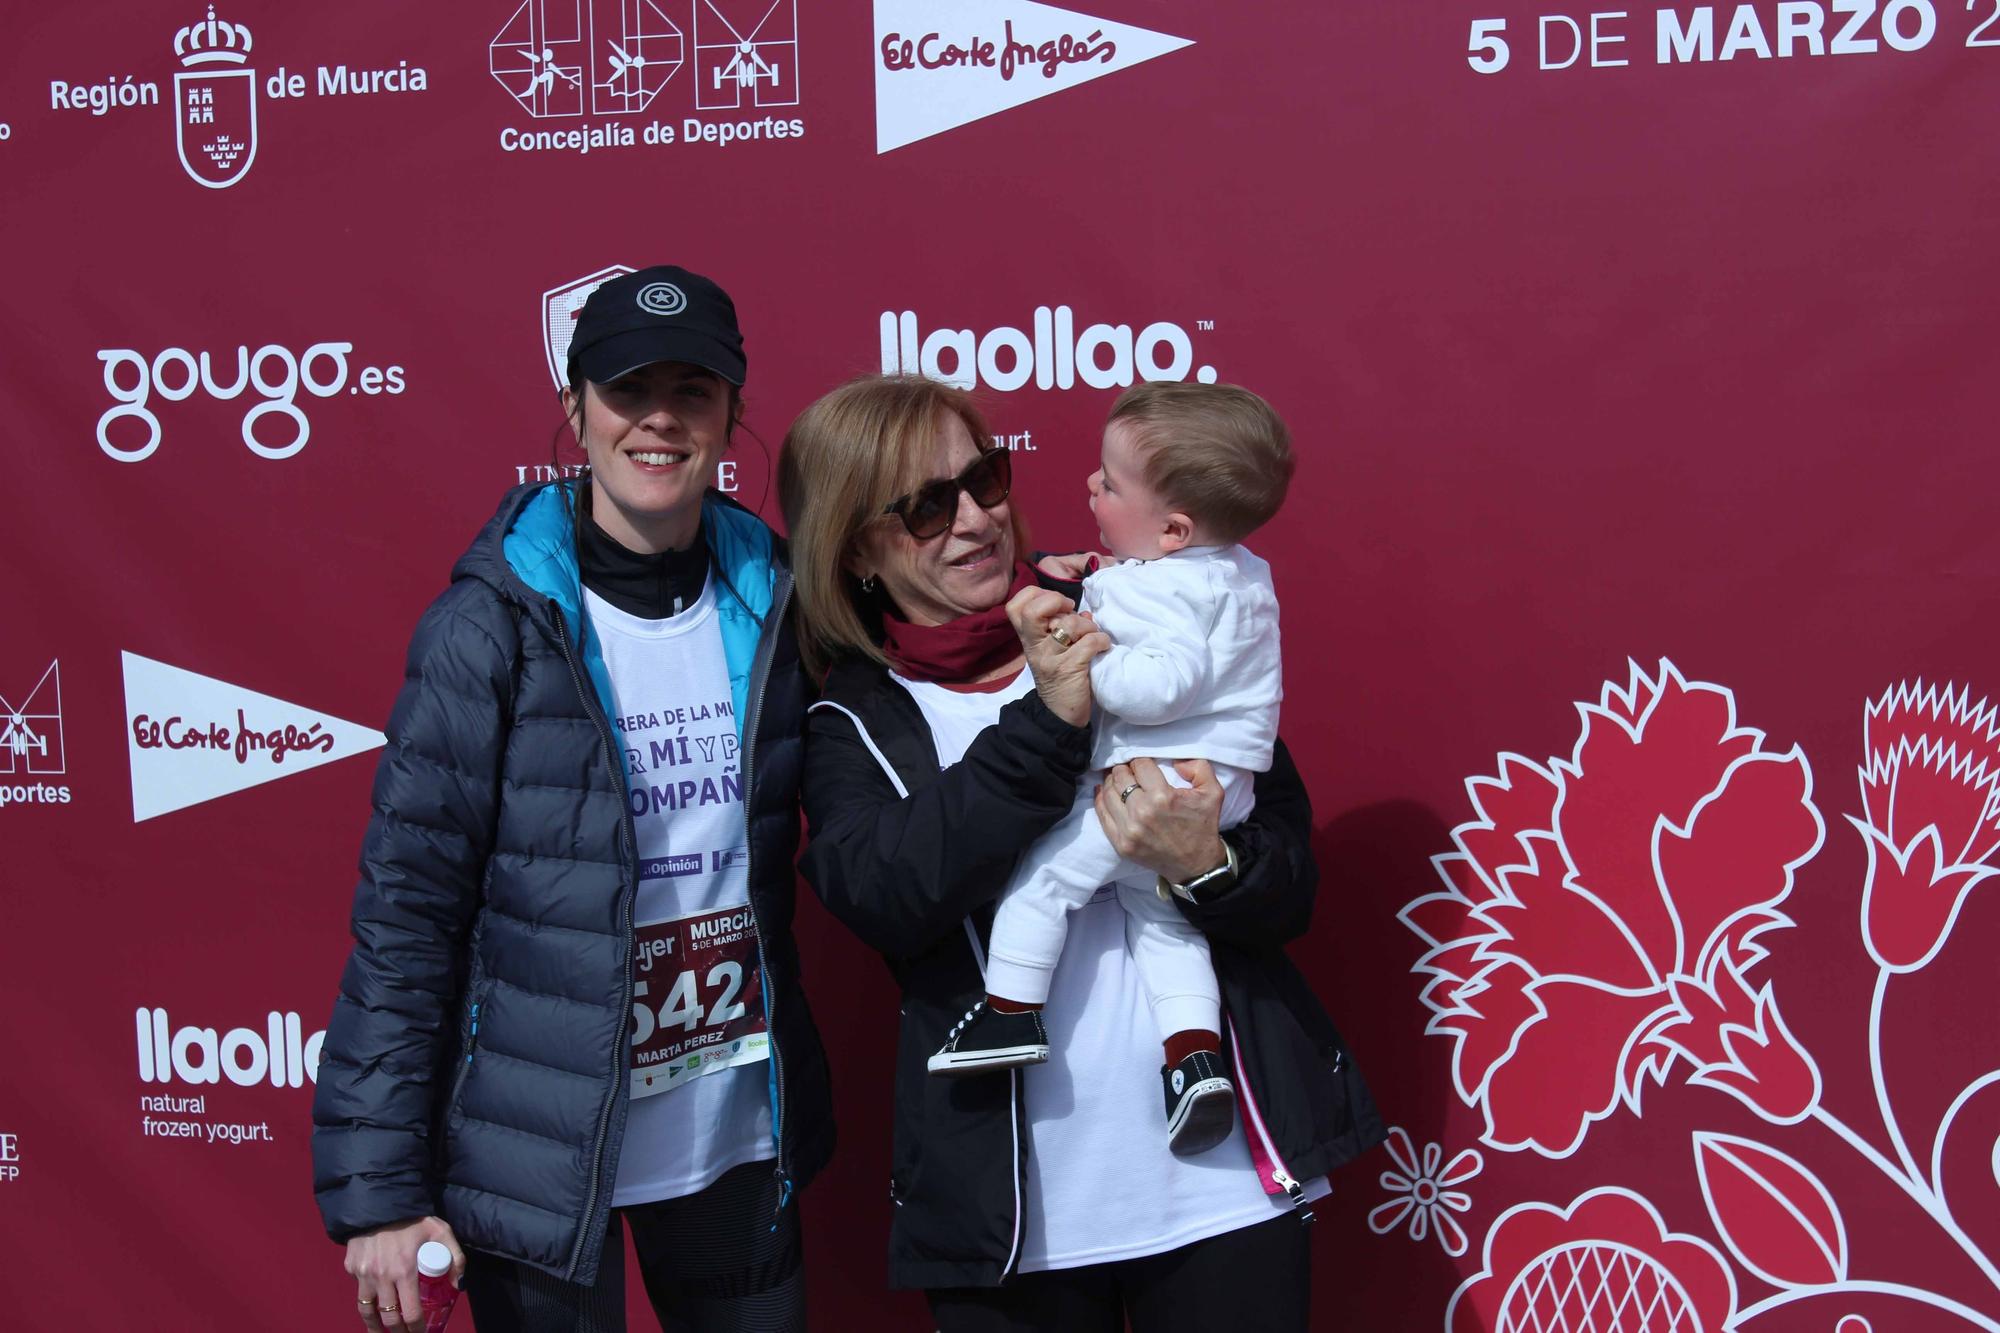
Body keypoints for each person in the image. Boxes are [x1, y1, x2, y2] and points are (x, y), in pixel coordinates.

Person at [778, 374, 1382, 1331]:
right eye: (930, 505)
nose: (977, 519)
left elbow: (1288, 879)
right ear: (858, 544)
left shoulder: (1125, 603)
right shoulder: (851, 717)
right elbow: (888, 892)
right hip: (1015, 1229)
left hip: (1223, 1191)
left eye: (984, 475)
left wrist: (1208, 864)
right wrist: (1052, 717)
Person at [310, 265, 832, 1333]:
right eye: (625, 388)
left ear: (733, 411)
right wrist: (381, 1188)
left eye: (692, 390)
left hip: (727, 1135)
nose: (658, 419)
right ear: (573, 407)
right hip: (537, 1151)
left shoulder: (780, 593)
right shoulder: (488, 625)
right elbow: (408, 916)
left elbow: (918, 664)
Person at [926, 383, 1293, 1162]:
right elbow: (1178, 606)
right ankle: (1195, 1058)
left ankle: (1009, 1011)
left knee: (1044, 880)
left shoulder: (1162, 587)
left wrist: (1091, 661)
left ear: (1173, 529)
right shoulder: (1233, 572)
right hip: (1219, 790)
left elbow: (1165, 681)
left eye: (1109, 482)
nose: (1089, 486)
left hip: (1150, 782)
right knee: (1163, 921)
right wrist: (1104, 571)